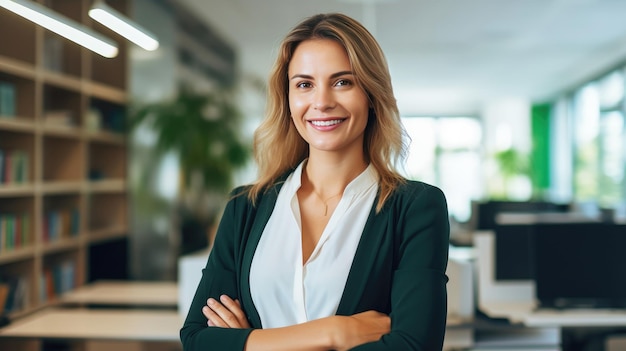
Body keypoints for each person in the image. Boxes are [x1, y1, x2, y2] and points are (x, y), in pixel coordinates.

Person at [180, 12, 450, 351]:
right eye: (304, 84)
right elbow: (197, 338)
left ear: (370, 92)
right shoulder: (245, 207)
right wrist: (333, 333)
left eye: (342, 82)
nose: (321, 102)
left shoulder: (416, 208)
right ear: (289, 98)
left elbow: (414, 346)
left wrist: (252, 343)